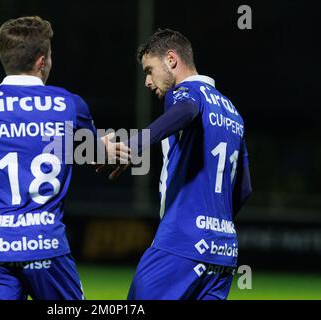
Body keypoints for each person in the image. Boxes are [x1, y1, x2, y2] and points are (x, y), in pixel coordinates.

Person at [0, 16, 127, 300]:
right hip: (48, 248)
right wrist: (112, 150)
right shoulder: (69, 104)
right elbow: (95, 155)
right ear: (42, 61)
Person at [101, 29, 252, 300]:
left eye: (149, 70)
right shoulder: (234, 113)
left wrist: (134, 145)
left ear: (171, 59)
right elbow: (244, 190)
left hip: (181, 245)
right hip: (223, 253)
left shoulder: (184, 93)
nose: (147, 81)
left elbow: (187, 110)